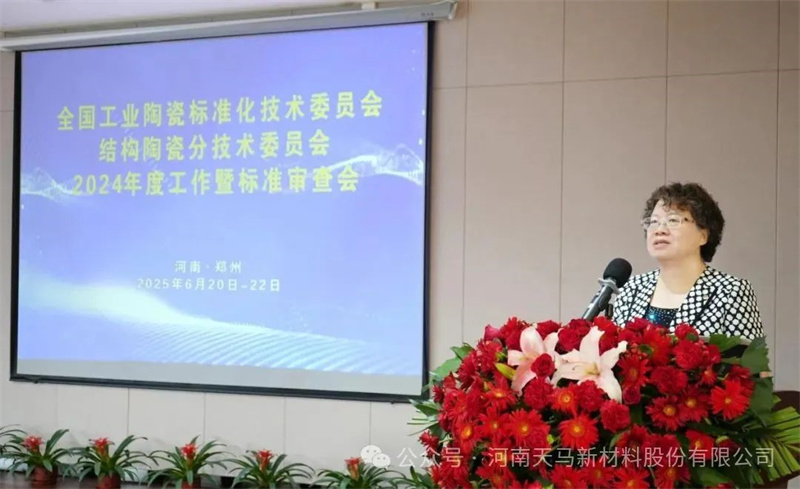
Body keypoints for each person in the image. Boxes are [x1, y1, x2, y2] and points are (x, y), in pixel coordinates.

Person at [611, 182, 765, 340]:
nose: (659, 230)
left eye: (673, 220)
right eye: (654, 222)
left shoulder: (730, 292)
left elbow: (750, 355)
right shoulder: (632, 289)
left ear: (703, 235)